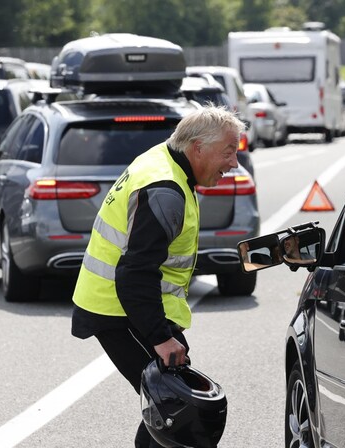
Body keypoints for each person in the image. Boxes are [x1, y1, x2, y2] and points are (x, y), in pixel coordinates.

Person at [70, 106, 245, 448]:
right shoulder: (165, 187)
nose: (234, 163)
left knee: (169, 409)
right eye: (228, 152)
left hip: (132, 306)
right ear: (197, 148)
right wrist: (160, 338)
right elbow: (134, 273)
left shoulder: (165, 158)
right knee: (180, 410)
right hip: (120, 310)